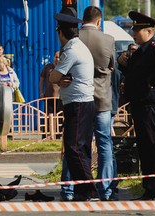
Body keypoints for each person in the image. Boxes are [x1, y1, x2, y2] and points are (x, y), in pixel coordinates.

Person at [117, 11, 155, 200]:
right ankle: (148, 187)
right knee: (144, 147)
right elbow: (134, 73)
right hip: (139, 103)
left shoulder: (154, 48)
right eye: (133, 29)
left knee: (151, 146)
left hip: (149, 104)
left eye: (137, 29)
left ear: (148, 31)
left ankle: (154, 190)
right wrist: (122, 63)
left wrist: (152, 80)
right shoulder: (141, 50)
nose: (134, 32)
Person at [49, 11, 97, 201]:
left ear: (60, 32)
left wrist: (58, 77)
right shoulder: (78, 47)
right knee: (81, 148)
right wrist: (61, 79)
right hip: (82, 104)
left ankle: (89, 190)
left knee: (73, 148)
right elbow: (59, 78)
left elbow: (53, 77)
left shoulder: (71, 50)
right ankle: (82, 191)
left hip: (78, 105)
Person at [78, 6, 116, 201]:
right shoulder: (108, 40)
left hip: (80, 99)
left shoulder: (74, 39)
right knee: (104, 144)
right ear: (99, 21)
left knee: (76, 144)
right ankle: (105, 189)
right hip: (102, 99)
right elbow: (112, 67)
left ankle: (73, 189)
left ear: (82, 19)